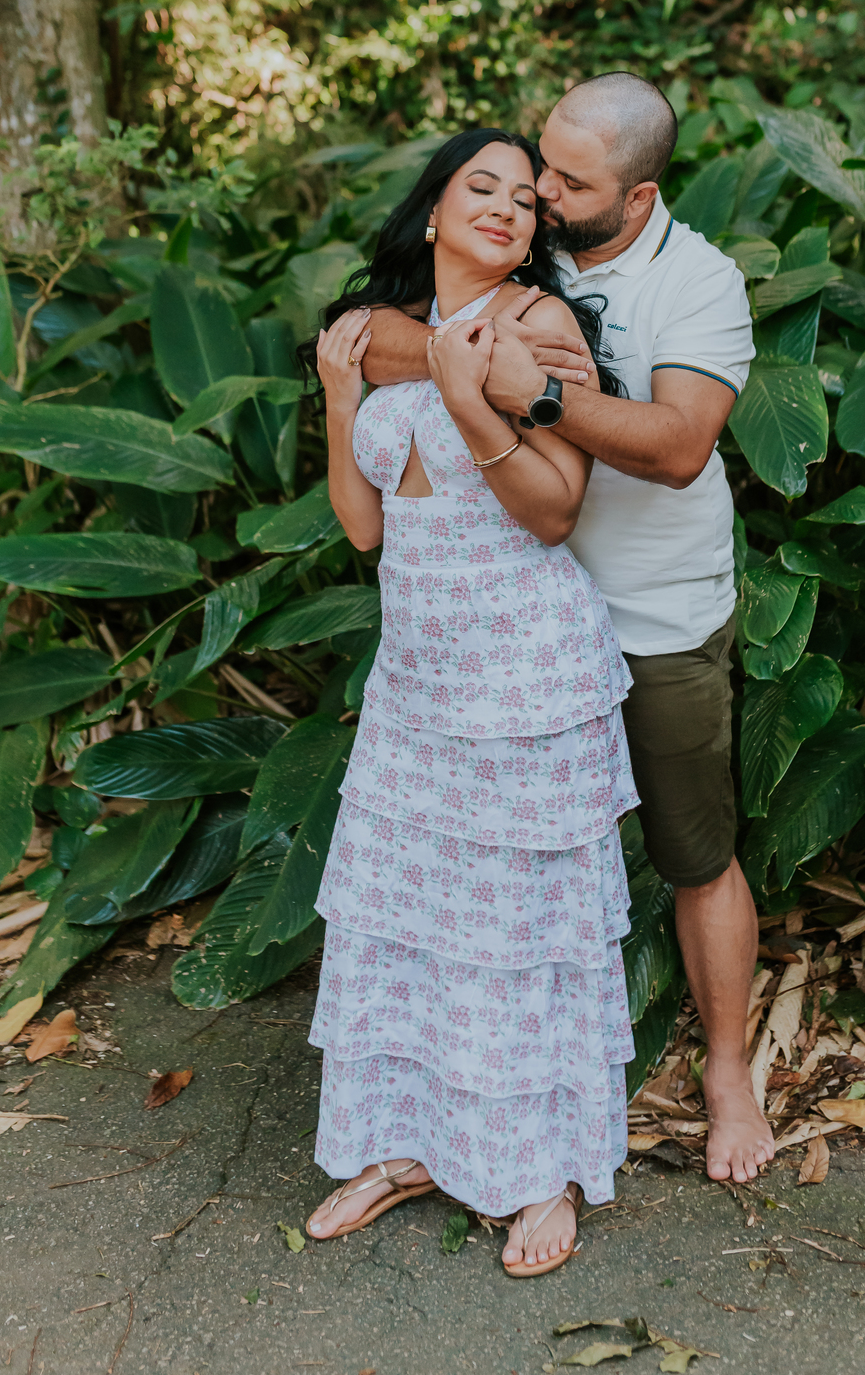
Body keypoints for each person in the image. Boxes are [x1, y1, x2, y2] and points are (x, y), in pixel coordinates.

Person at [361, 73, 771, 1185]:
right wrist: (462, 354)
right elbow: (370, 334)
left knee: (694, 853)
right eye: (539, 164)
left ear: (636, 199)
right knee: (494, 874)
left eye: (567, 181)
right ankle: (477, 1092)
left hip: (653, 612)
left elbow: (679, 445)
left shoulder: (698, 281)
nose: (539, 191)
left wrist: (533, 391)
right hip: (514, 625)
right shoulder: (526, 246)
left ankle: (728, 1074)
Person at [300, 127, 639, 1273]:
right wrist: (341, 398)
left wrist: (471, 397)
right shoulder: (379, 329)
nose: (505, 207)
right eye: (478, 188)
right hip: (417, 688)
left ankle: (546, 1173)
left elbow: (553, 512)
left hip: (525, 676)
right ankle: (405, 1146)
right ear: (435, 211)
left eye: (524, 199)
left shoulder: (540, 327)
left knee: (520, 935)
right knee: (410, 924)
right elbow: (364, 527)